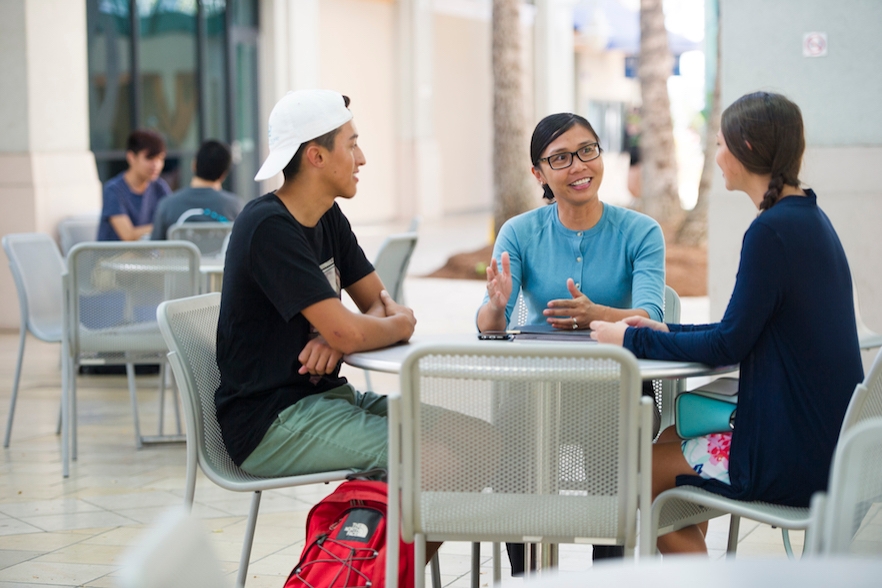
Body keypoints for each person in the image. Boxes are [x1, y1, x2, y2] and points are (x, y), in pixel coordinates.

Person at [590, 92, 864, 554]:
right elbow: (739, 329)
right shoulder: (806, 218)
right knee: (672, 440)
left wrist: (630, 339)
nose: (715, 156)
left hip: (793, 458)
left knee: (637, 471)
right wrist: (662, 331)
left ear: (747, 150)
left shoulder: (772, 232)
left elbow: (728, 347)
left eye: (719, 144)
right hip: (826, 444)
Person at [476, 112, 665, 569]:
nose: (579, 166)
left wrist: (597, 315)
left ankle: (608, 575)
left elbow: (652, 320)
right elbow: (488, 329)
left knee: (610, 452)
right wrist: (498, 304)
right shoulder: (519, 232)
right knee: (511, 448)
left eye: (587, 151)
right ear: (539, 173)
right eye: (561, 158)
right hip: (540, 387)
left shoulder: (641, 232)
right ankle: (529, 575)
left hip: (618, 388)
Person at [150, 139, 243, 240]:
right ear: (224, 174)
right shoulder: (236, 208)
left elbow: (156, 249)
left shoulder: (167, 206)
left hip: (182, 256)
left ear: (193, 165)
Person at [97, 129, 170, 241]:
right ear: (131, 157)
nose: (156, 165)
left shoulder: (159, 187)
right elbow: (128, 235)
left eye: (160, 159)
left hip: (147, 256)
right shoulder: (113, 190)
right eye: (149, 158)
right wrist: (162, 227)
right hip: (113, 257)